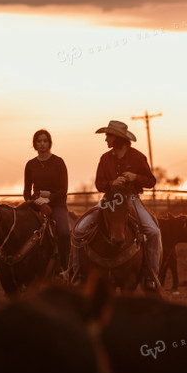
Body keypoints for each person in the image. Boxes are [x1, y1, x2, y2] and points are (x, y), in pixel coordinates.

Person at [72, 120, 162, 290]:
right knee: (79, 230)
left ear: (119, 138)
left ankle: (151, 275)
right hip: (109, 201)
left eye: (109, 136)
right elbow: (99, 184)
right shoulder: (105, 159)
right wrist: (111, 183)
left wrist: (135, 177)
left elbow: (151, 181)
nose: (106, 139)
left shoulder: (137, 157)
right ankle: (78, 272)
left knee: (153, 232)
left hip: (130, 199)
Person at [23, 129, 70, 270]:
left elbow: (63, 190)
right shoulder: (30, 164)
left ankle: (65, 265)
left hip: (57, 204)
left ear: (50, 143)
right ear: (35, 144)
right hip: (36, 205)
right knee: (20, 228)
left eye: (45, 141)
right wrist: (30, 201)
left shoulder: (58, 162)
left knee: (63, 232)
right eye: (39, 141)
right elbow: (26, 191)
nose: (42, 144)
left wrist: (49, 198)